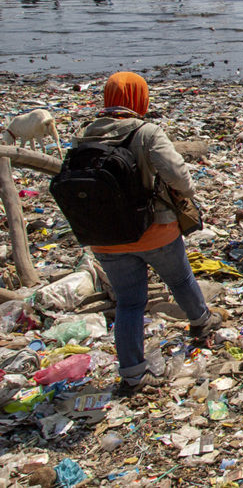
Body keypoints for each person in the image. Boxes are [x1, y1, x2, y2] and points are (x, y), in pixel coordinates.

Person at [80, 72, 220, 394]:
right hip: (153, 231)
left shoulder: (85, 136)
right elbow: (181, 180)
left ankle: (132, 374)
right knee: (180, 279)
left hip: (106, 238)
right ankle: (201, 323)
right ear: (139, 99)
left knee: (129, 303)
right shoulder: (146, 132)